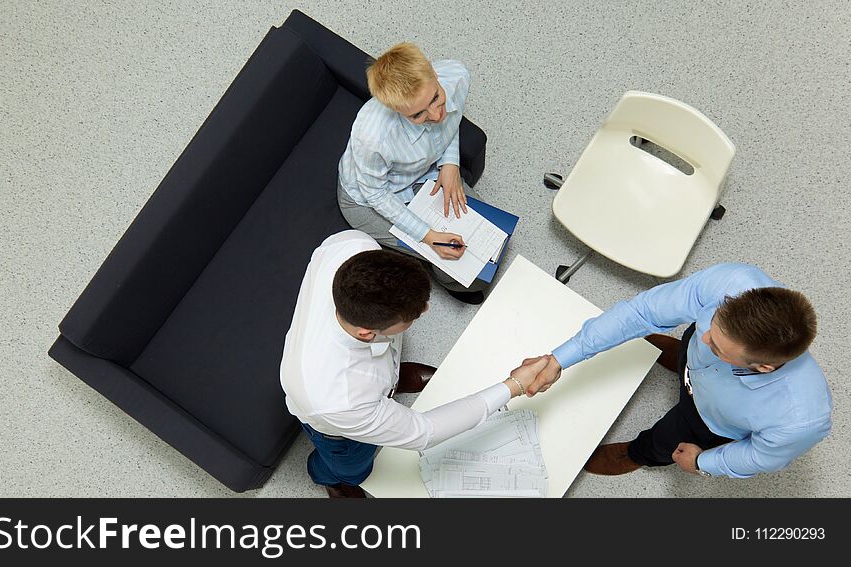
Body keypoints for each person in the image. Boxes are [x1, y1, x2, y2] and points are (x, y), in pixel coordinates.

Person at [280, 230, 549, 497]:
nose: (425, 310)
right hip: (336, 431)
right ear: (366, 333)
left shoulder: (353, 244)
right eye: (412, 317)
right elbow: (425, 432)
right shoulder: (339, 400)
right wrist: (513, 385)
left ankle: (391, 384)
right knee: (352, 467)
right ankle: (332, 479)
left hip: (367, 380)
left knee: (385, 373)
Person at [525, 263, 832, 479]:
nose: (704, 337)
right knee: (688, 346)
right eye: (711, 325)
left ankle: (636, 455)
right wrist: (559, 359)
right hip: (700, 369)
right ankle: (681, 359)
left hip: (707, 421)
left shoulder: (800, 420)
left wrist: (703, 461)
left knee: (663, 441)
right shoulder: (733, 282)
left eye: (717, 348)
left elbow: (757, 457)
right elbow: (642, 312)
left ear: (763, 367)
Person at [337, 42, 487, 305]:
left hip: (423, 171)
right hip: (369, 197)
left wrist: (449, 164)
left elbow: (450, 119)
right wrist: (428, 237)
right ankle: (447, 280)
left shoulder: (457, 76)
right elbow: (375, 193)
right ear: (396, 111)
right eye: (418, 115)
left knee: (484, 231)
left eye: (436, 98)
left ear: (434, 73)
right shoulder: (372, 137)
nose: (436, 114)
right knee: (447, 257)